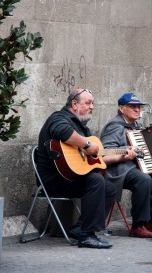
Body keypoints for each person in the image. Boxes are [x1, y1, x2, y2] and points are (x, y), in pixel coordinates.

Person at [37, 88, 116, 248]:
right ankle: (87, 236)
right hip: (54, 180)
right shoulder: (58, 118)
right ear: (74, 103)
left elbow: (95, 154)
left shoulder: (82, 126)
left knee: (109, 188)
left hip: (71, 178)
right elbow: (62, 131)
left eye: (93, 103)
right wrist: (87, 145)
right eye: (88, 103)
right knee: (96, 181)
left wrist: (121, 154)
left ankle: (81, 228)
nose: (92, 107)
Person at [100, 92, 152, 238]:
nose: (137, 109)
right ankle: (138, 225)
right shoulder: (114, 127)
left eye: (139, 106)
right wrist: (124, 154)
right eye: (132, 106)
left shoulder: (139, 127)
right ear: (121, 108)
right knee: (144, 180)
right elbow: (103, 152)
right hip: (121, 169)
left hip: (141, 167)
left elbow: (151, 152)